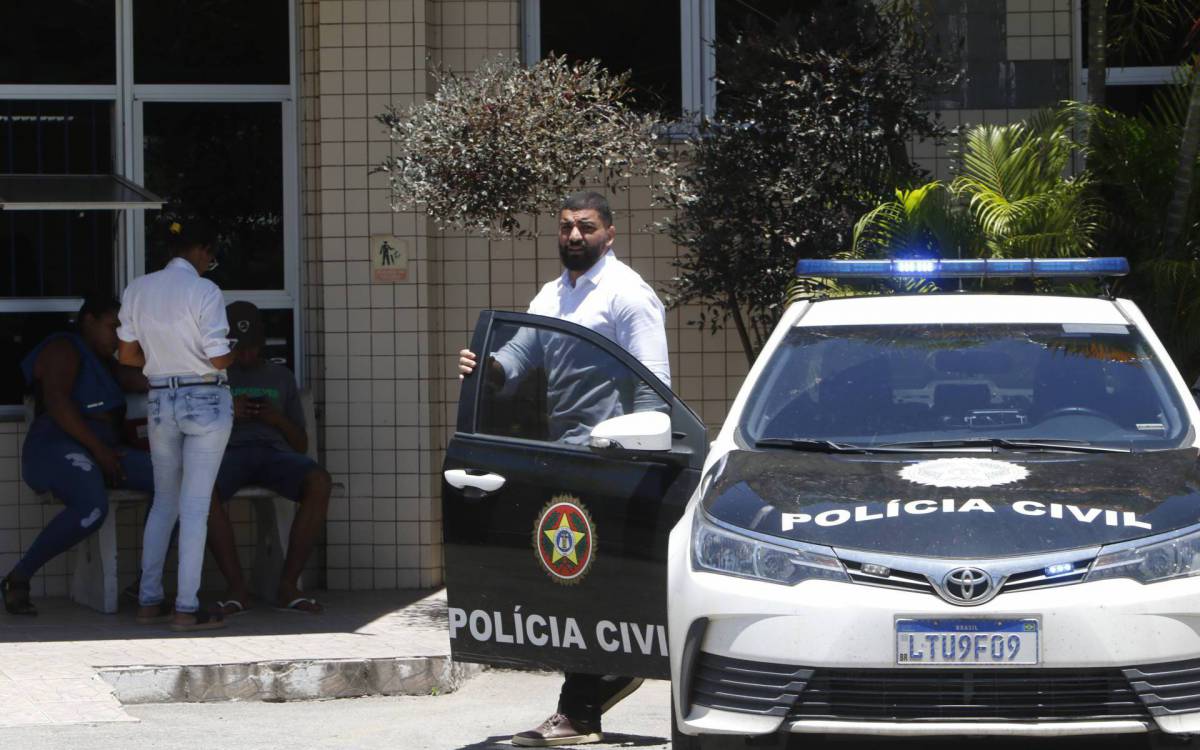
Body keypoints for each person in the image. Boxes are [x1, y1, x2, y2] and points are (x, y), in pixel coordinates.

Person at [458, 191, 669, 747]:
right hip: (565, 458)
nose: (575, 236)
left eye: (587, 227)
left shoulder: (628, 296)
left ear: (610, 234)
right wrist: (484, 367)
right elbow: (517, 361)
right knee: (574, 583)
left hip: (614, 460)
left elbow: (654, 390)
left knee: (584, 581)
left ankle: (579, 708)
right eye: (567, 227)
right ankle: (598, 689)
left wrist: (639, 458)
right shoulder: (552, 296)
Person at [1, 296, 154, 615]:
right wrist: (99, 451)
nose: (119, 336)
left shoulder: (108, 365)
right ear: (88, 320)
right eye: (114, 327)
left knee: (176, 483)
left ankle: (146, 585)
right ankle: (18, 577)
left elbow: (148, 380)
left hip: (104, 451)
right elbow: (57, 402)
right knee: (92, 507)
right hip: (55, 446)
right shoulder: (64, 347)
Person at [117, 219, 235, 632]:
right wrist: (230, 356)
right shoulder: (205, 291)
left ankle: (149, 601)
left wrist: (162, 357)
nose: (210, 264)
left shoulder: (138, 288)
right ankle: (186, 606)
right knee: (195, 507)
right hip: (204, 397)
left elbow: (127, 355)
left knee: (164, 501)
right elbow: (218, 358)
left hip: (159, 400)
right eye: (211, 257)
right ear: (201, 251)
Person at [207, 301, 332, 616]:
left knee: (319, 481)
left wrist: (275, 419)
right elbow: (197, 429)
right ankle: (237, 588)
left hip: (275, 455)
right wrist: (229, 411)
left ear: (261, 343)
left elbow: (301, 444)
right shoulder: (213, 376)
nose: (246, 355)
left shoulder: (281, 376)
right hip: (228, 454)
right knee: (200, 492)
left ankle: (289, 586)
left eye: (251, 348)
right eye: (239, 348)